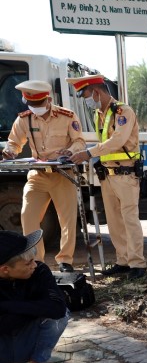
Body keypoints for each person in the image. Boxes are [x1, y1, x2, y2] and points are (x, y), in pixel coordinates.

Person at [66, 74, 147, 280]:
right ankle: (123, 261)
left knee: (130, 220)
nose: (86, 100)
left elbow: (117, 139)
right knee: (114, 222)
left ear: (96, 92)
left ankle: (137, 264)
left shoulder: (122, 111)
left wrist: (89, 153)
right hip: (107, 175)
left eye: (86, 95)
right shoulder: (99, 114)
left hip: (125, 173)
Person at [1, 80, 86, 273]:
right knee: (27, 216)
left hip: (63, 174)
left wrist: (70, 152)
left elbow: (79, 141)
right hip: (38, 175)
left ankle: (65, 261)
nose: (35, 108)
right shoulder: (25, 119)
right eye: (32, 105)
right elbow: (14, 143)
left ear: (48, 99)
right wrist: (10, 152)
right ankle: (36, 261)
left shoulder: (67, 116)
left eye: (38, 104)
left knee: (67, 220)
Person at [0, 230, 72, 363]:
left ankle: (38, 362)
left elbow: (57, 308)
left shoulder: (39, 271)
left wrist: (6, 306)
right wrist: (35, 308)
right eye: (28, 263)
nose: (35, 265)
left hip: (24, 339)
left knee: (61, 316)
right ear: (5, 269)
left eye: (34, 260)